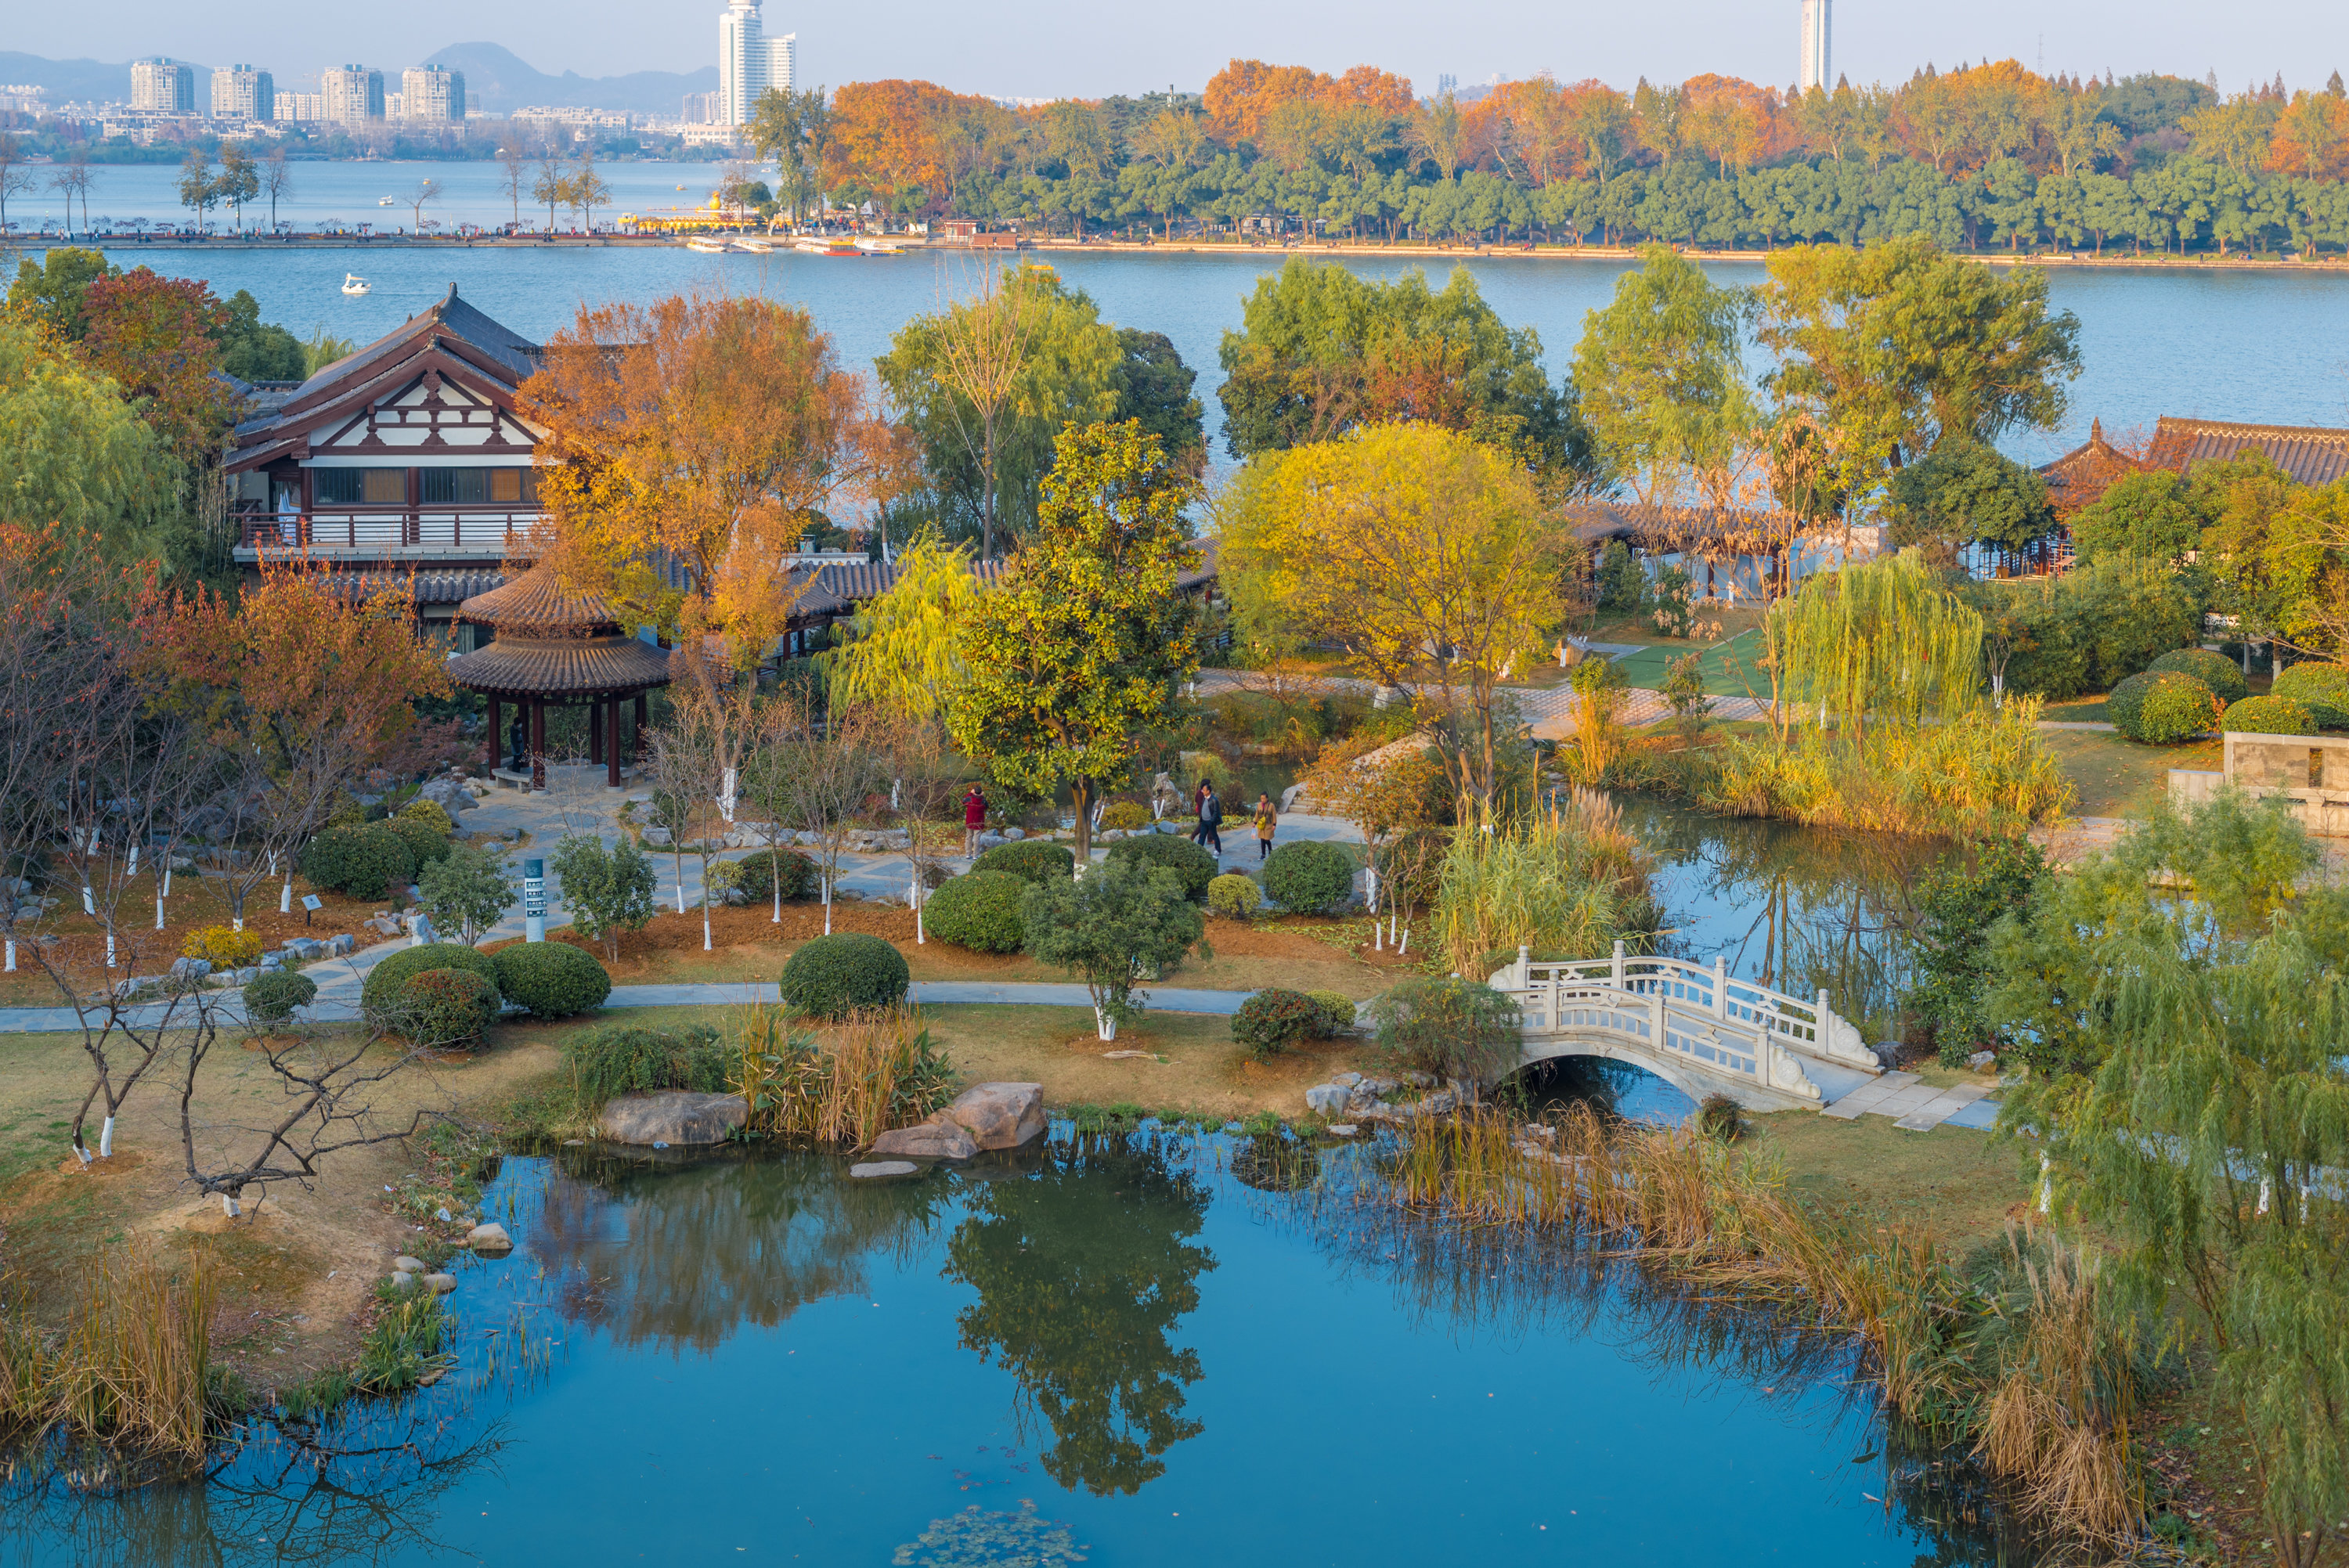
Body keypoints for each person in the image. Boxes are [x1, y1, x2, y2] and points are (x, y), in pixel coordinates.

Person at [1198, 784, 1224, 856]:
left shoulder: (1214, 800)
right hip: (1204, 821)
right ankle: (1198, 849)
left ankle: (1218, 850)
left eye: (1204, 790)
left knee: (1214, 835)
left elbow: (1216, 812)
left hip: (1210, 821)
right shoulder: (1204, 798)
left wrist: (1212, 821)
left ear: (1208, 791)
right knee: (1202, 836)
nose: (1202, 791)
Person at [963, 784, 988, 858]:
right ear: (981, 792)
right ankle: (975, 855)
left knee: (969, 837)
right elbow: (986, 806)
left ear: (974, 791)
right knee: (977, 839)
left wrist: (970, 793)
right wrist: (981, 796)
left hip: (970, 821)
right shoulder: (983, 800)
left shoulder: (970, 798)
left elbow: (963, 801)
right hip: (979, 821)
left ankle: (968, 854)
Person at [1253, 793, 1277, 862]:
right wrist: (1255, 823)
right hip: (1261, 825)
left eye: (1264, 798)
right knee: (1262, 840)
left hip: (1268, 825)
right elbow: (1257, 814)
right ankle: (1263, 854)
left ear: (1267, 798)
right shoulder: (1259, 805)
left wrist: (1274, 824)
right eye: (1261, 798)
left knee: (1267, 839)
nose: (1262, 800)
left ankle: (1270, 850)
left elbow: (1274, 815)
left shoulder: (1271, 805)